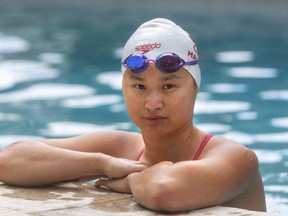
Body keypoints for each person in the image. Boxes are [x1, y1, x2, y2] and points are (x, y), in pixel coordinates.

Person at [0, 18, 266, 213]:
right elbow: (11, 160)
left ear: (195, 88)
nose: (152, 103)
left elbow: (166, 190)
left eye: (169, 86)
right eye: (139, 86)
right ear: (123, 89)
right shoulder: (120, 148)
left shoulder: (236, 159)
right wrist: (101, 164)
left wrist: (128, 181)